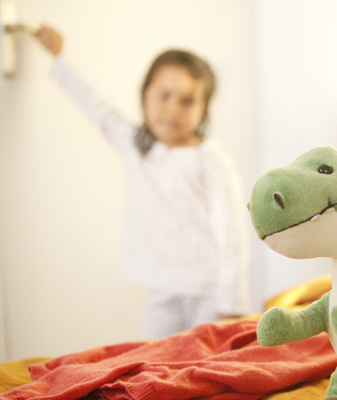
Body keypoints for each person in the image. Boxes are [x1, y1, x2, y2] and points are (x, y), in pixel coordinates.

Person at [34, 25, 251, 339]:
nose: (173, 110)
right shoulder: (136, 145)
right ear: (145, 94)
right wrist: (58, 56)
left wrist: (231, 303)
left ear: (203, 108)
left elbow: (231, 233)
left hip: (209, 294)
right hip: (163, 289)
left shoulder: (210, 159)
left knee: (209, 361)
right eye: (164, 96)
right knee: (149, 358)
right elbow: (96, 107)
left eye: (187, 101)